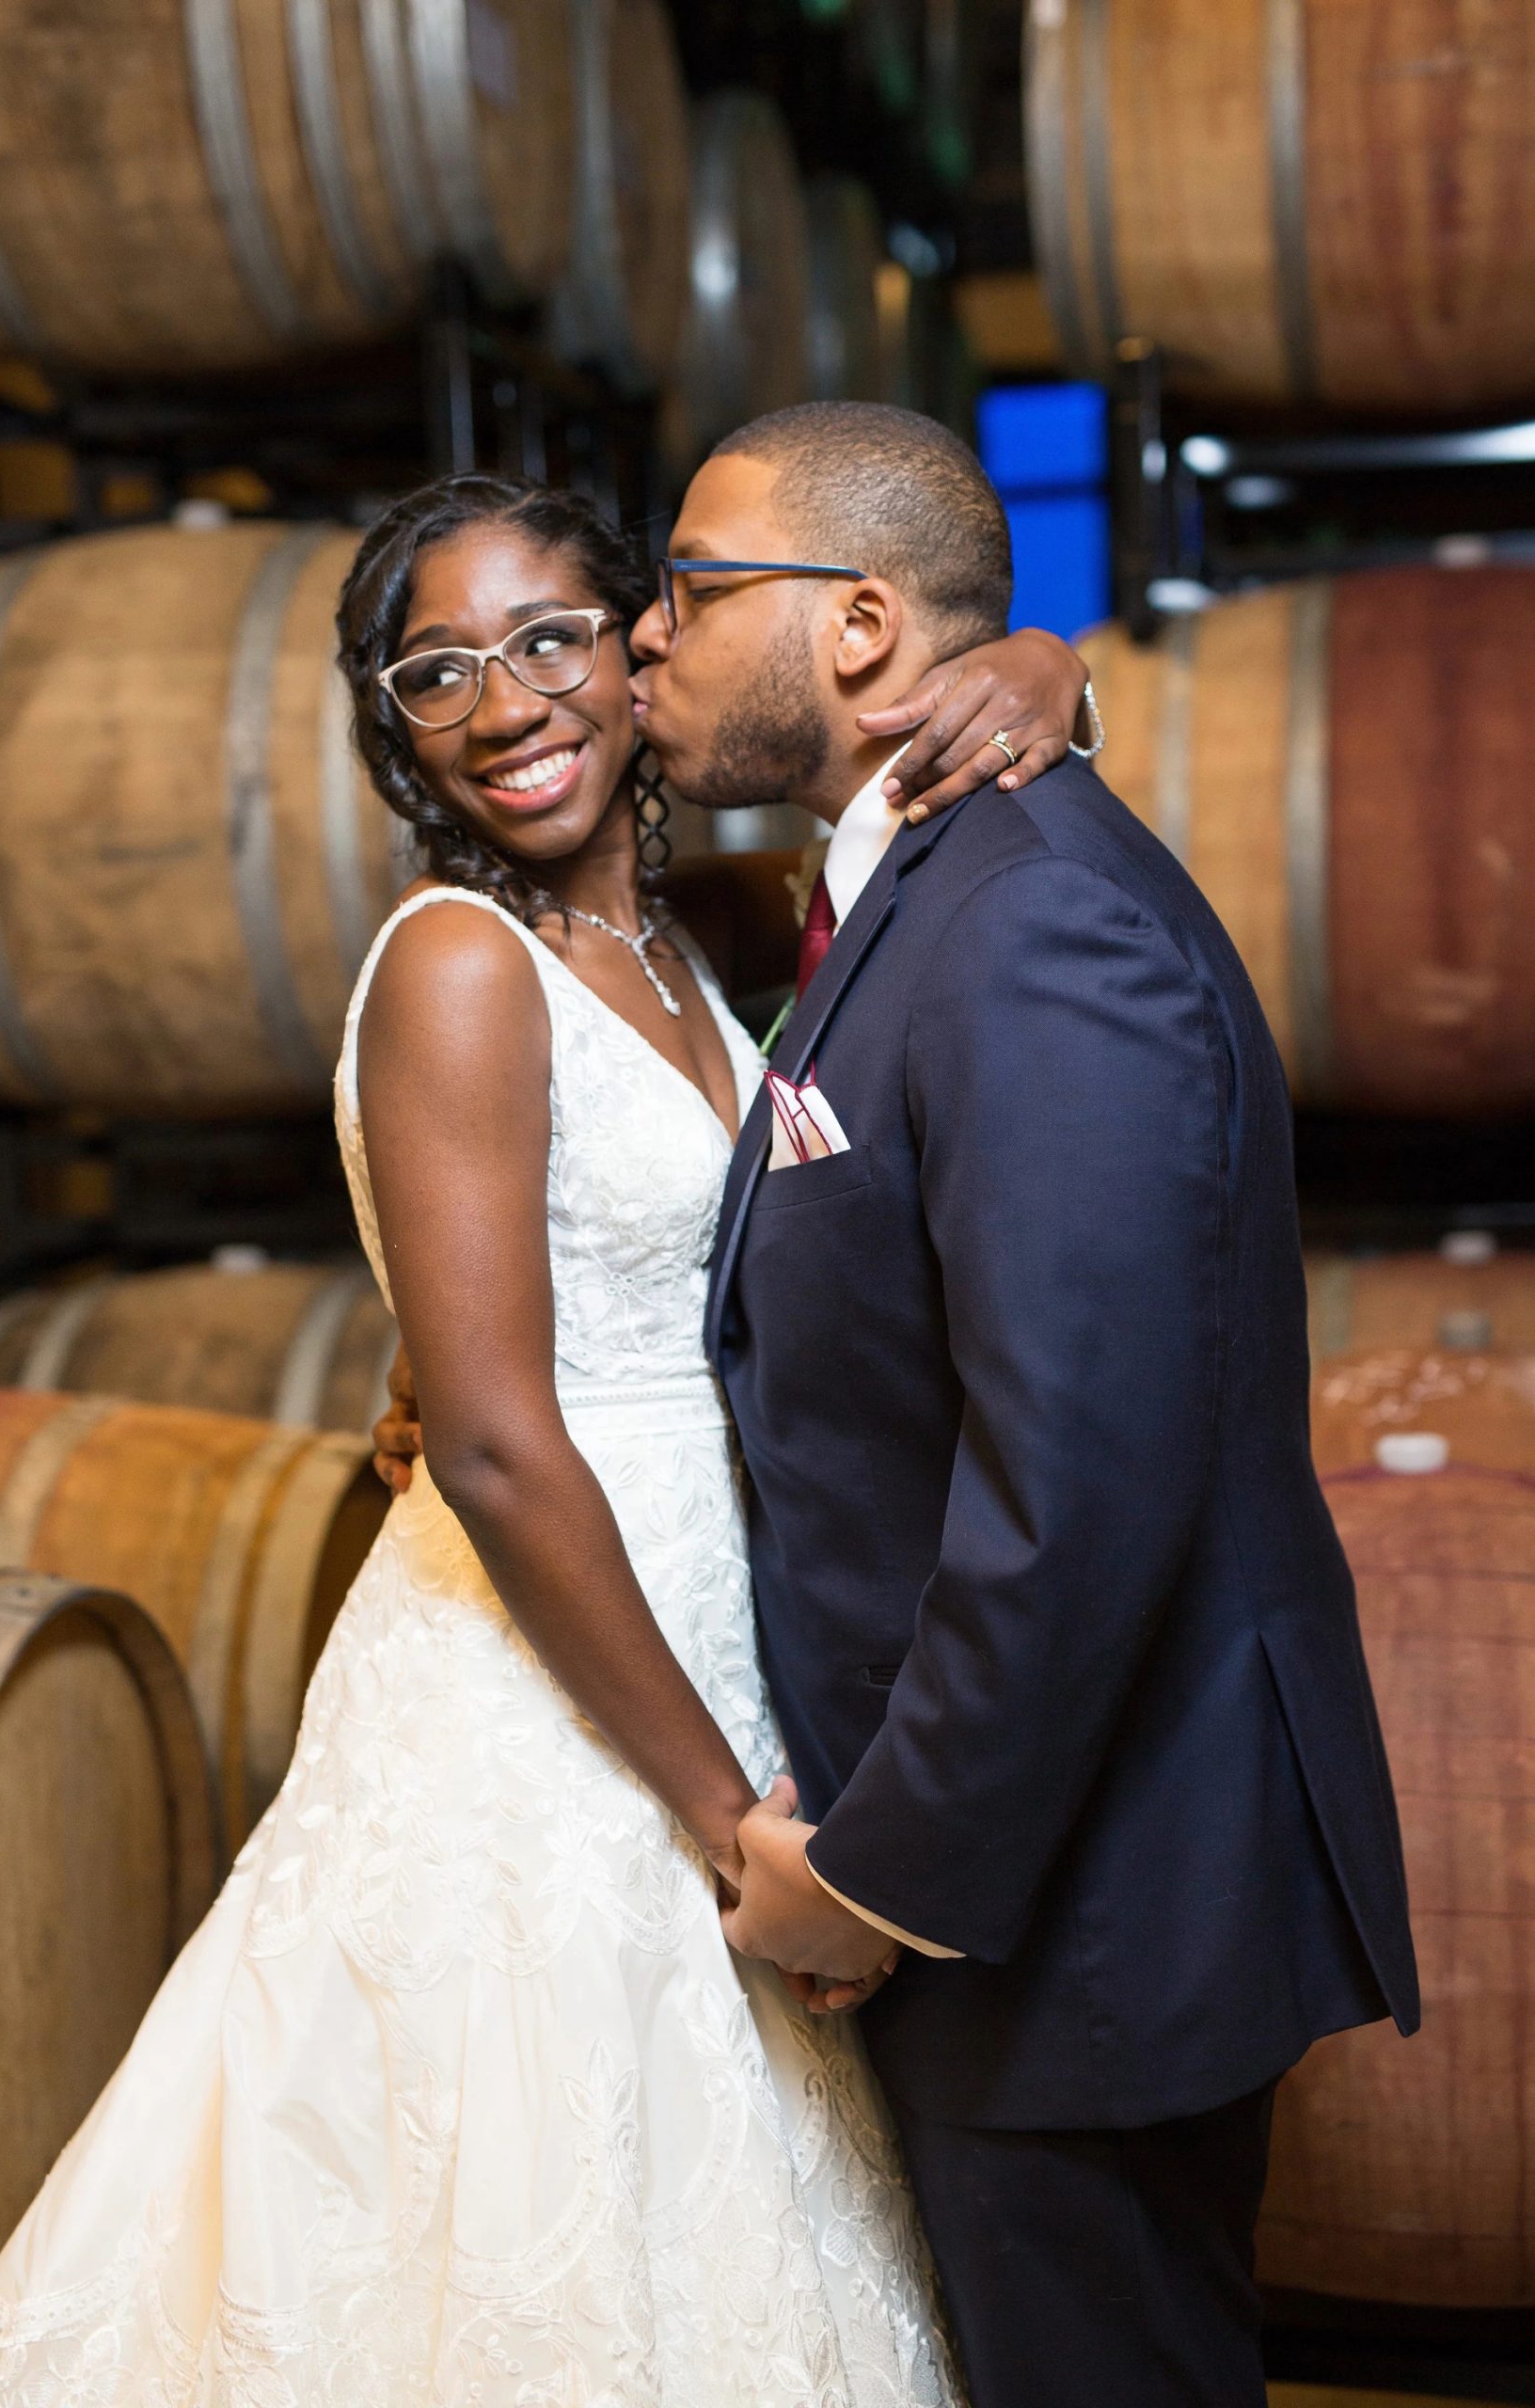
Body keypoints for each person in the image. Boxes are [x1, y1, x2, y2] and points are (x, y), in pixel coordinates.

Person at [0, 468, 1086, 2405]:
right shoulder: (459, 966)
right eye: (436, 669)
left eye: (550, 636)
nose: (506, 699)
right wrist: (731, 1820)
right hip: (543, 1681)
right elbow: (486, 1439)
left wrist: (1045, 665)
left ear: (644, 660)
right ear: (397, 730)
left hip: (701, 1616)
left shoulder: (689, 954)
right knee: (489, 2200)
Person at [384, 405, 1421, 2408]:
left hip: (1070, 1903)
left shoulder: (1028, 917)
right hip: (1003, 1886)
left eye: (683, 593)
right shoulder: (882, 893)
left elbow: (1081, 1482)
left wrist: (876, 1872)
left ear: (859, 627)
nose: (638, 641)